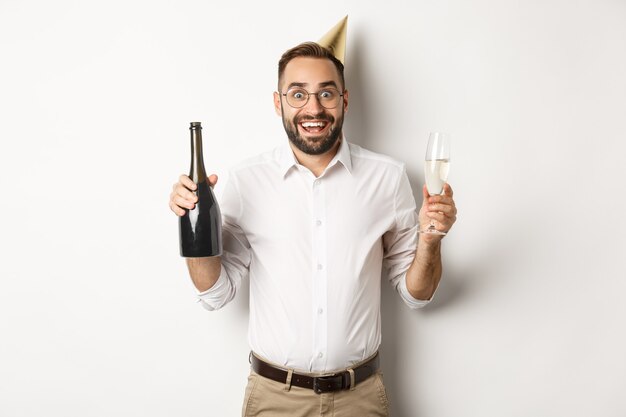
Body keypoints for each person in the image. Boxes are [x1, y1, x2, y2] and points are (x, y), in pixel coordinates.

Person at [169, 34, 457, 417]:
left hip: (361, 398)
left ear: (345, 100)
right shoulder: (246, 181)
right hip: (274, 399)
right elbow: (215, 294)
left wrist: (431, 239)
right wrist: (193, 226)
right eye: (298, 94)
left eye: (326, 93)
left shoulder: (387, 178)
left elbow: (417, 294)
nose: (313, 108)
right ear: (278, 103)